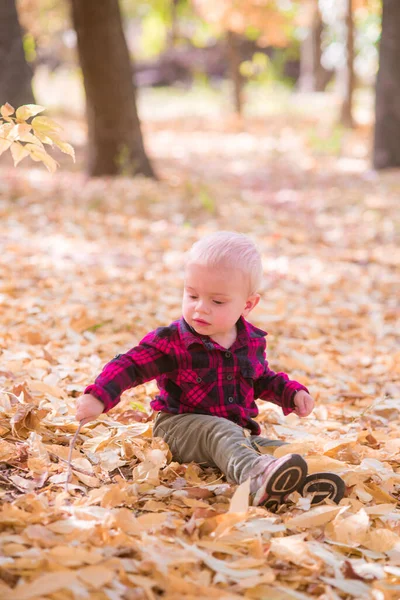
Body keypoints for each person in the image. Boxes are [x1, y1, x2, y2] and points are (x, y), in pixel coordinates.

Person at [76, 231, 345, 510]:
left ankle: (300, 483)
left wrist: (291, 393)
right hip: (178, 429)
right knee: (221, 433)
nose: (199, 309)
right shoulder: (172, 341)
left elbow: (261, 378)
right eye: (192, 295)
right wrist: (99, 395)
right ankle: (253, 477)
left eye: (217, 302)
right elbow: (131, 364)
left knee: (273, 447)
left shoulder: (250, 342)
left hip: (235, 433)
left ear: (248, 305)